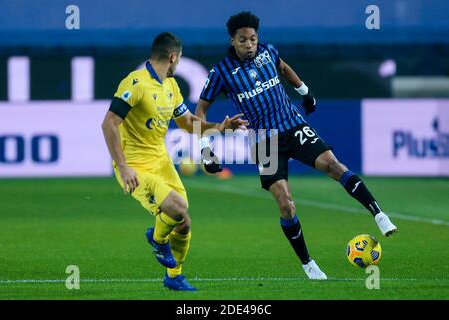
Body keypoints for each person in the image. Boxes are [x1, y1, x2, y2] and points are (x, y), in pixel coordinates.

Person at [195, 12, 397, 280]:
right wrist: (206, 151)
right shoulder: (220, 72)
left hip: (293, 124)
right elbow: (199, 111)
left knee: (333, 165)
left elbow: (283, 67)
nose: (249, 45)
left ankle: (379, 214)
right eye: (243, 40)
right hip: (263, 139)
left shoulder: (268, 51)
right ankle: (308, 264)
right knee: (285, 203)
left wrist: (305, 91)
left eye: (253, 39)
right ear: (232, 40)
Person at [101, 32, 247, 291]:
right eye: (178, 59)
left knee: (184, 222)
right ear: (173, 56)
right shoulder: (135, 83)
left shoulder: (171, 86)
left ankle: (174, 276)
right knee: (177, 208)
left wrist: (220, 127)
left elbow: (188, 123)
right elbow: (109, 123)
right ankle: (157, 240)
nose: (177, 64)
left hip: (160, 161)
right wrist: (123, 167)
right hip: (135, 166)